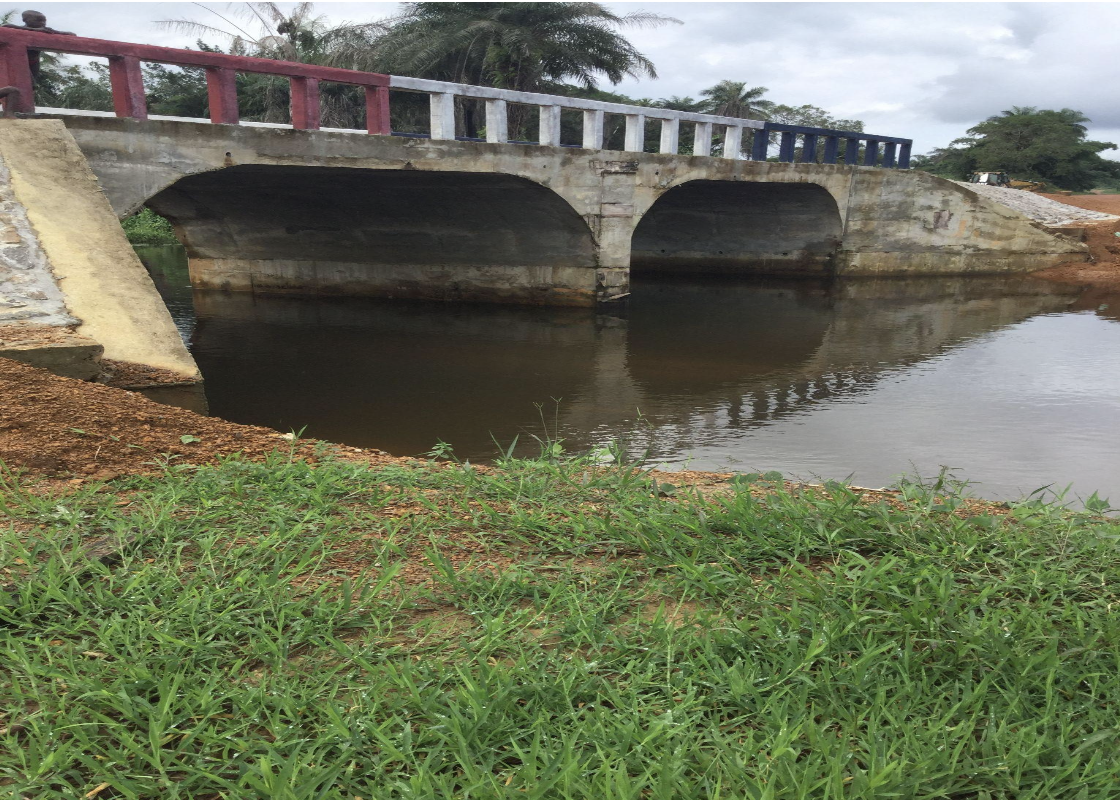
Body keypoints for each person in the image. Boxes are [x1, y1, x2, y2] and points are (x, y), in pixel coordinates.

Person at [3, 10, 76, 83]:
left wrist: (56, 32)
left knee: (32, 85)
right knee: (23, 82)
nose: (42, 23)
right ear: (25, 20)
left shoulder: (45, 31)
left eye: (44, 21)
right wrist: (35, 30)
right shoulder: (18, 29)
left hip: (34, 61)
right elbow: (6, 26)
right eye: (38, 20)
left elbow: (72, 35)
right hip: (18, 61)